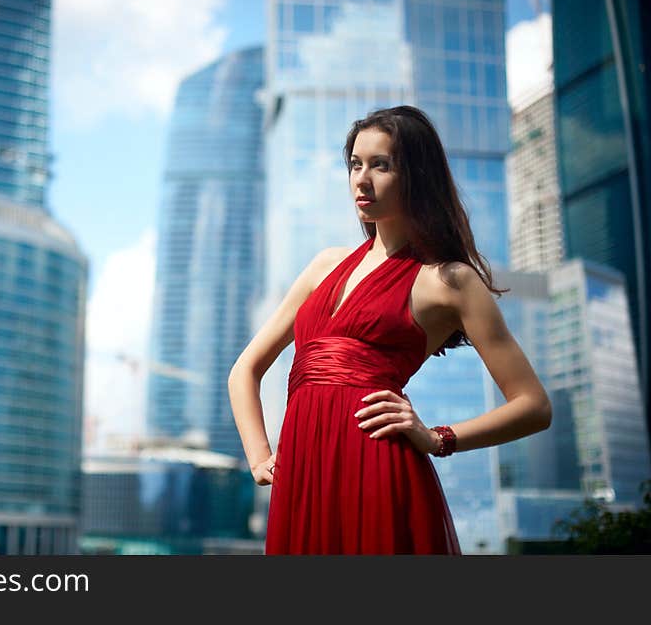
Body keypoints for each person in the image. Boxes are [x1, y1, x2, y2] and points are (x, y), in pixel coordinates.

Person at [227, 105, 552, 555]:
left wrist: (438, 438)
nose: (362, 179)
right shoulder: (325, 265)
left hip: (377, 470)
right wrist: (260, 456)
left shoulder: (450, 281)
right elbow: (245, 369)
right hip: (302, 475)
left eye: (381, 165)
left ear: (417, 175)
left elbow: (534, 406)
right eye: (355, 164)